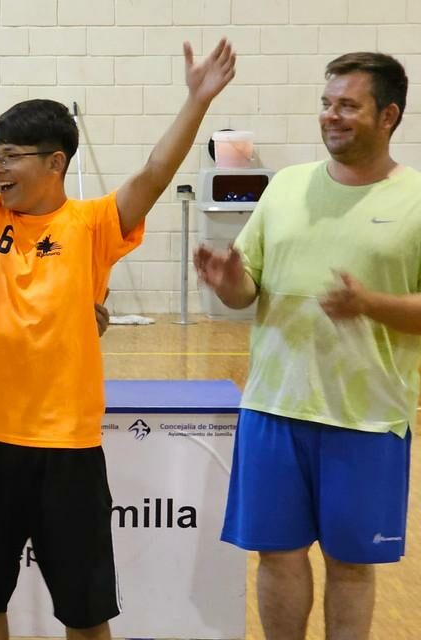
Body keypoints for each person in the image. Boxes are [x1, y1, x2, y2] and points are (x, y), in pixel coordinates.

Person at [0, 2, 236, 638]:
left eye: (12, 155)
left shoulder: (95, 225)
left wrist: (197, 100)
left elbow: (155, 171)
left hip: (66, 450)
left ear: (56, 162)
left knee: (84, 611)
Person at [197, 52, 418, 640]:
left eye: (348, 105)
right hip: (274, 406)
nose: (331, 116)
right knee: (277, 555)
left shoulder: (416, 200)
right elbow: (249, 289)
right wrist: (230, 282)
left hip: (366, 417)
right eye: (326, 104)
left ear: (389, 115)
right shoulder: (287, 187)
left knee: (350, 566)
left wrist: (371, 304)